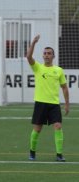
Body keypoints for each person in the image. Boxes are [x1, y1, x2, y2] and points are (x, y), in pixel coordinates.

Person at [26, 34, 70, 162]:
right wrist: (33, 43)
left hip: (54, 104)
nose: (46, 55)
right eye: (45, 53)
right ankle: (32, 152)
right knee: (37, 129)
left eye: (49, 53)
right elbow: (28, 57)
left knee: (58, 126)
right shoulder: (38, 68)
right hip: (40, 103)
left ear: (53, 56)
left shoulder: (59, 70)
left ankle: (59, 155)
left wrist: (67, 104)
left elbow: (64, 87)